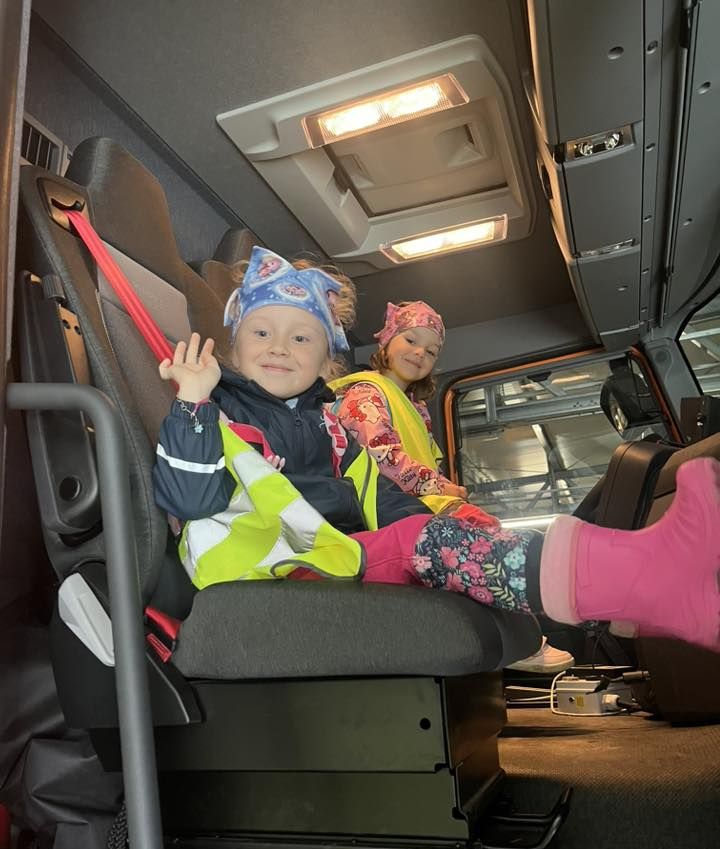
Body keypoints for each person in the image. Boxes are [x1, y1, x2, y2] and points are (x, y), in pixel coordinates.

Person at [152, 246, 720, 657]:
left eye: (301, 337)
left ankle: (635, 592)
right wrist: (192, 404)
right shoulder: (217, 413)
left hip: (334, 554)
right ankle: (644, 582)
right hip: (273, 570)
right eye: (261, 333)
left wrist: (444, 521)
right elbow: (189, 498)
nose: (279, 347)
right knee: (424, 543)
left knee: (443, 535)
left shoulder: (330, 426)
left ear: (326, 359)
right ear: (233, 347)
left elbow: (385, 496)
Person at [330, 300, 571, 672]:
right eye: (410, 340)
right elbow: (381, 456)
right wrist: (442, 488)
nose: (419, 353)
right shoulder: (366, 392)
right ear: (387, 342)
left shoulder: (416, 408)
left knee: (484, 527)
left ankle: (518, 635)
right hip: (382, 505)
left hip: (412, 503)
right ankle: (523, 640)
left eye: (431, 351)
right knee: (477, 531)